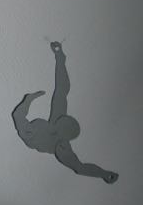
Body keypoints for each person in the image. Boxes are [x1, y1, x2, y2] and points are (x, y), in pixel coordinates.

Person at [12, 41, 118, 183]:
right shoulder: (56, 120)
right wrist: (60, 57)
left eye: (58, 125)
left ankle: (28, 104)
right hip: (34, 130)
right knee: (57, 98)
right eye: (59, 122)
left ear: (62, 133)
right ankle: (28, 104)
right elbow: (62, 88)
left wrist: (103, 173)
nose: (56, 123)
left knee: (22, 120)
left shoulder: (62, 148)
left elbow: (80, 167)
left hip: (32, 137)